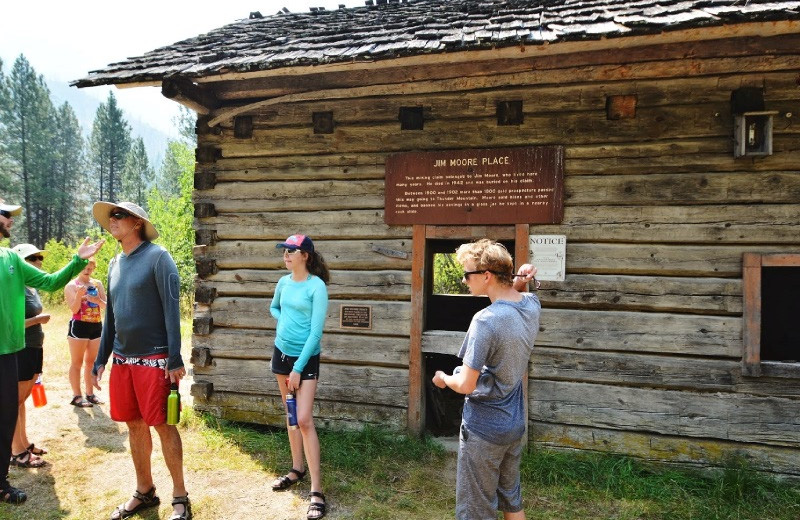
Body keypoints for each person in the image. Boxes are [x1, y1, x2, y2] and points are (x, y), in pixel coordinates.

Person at [89, 201, 191, 520]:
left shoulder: (158, 258)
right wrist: (100, 359)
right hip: (122, 360)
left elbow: (172, 312)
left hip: (156, 359)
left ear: (136, 223)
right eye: (110, 217)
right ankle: (145, 490)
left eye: (118, 215)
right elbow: (112, 318)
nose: (111, 221)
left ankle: (180, 496)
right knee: (134, 425)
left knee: (162, 425)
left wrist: (174, 358)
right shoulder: (114, 262)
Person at [0, 198, 105, 505]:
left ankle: (1, 482)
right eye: (5, 215)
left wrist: (76, 260)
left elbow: (50, 282)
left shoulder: (11, 258)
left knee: (6, 416)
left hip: (8, 353)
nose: (10, 220)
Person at [432, 239, 540, 520]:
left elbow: (466, 385)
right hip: (514, 424)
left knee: (476, 510)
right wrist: (522, 281)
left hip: (483, 429)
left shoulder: (485, 320)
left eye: (467, 274)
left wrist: (444, 377)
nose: (464, 280)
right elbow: (514, 296)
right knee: (511, 500)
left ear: (487, 276)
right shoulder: (531, 306)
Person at [269, 234, 330, 520]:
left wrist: (298, 368)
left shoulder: (316, 287)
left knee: (304, 419)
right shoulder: (283, 283)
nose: (286, 256)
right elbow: (274, 308)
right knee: (291, 415)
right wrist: (283, 322)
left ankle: (317, 491)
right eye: (284, 251)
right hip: (281, 353)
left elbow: (316, 334)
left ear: (305, 255)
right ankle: (297, 469)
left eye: (291, 251)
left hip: (305, 358)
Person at [9, 244, 51, 469]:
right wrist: (37, 320)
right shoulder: (14, 288)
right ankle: (16, 451)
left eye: (39, 257)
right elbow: (11, 324)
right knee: (14, 401)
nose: (38, 262)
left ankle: (23, 443)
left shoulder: (31, 288)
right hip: (22, 348)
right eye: (32, 258)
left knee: (22, 400)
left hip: (35, 347)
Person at [64, 257, 106, 407]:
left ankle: (90, 394)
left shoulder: (97, 283)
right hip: (79, 326)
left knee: (91, 362)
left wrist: (97, 301)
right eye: (84, 268)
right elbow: (74, 309)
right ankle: (76, 396)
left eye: (90, 268)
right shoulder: (71, 285)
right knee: (77, 362)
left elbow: (106, 306)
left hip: (96, 325)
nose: (87, 271)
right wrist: (78, 296)